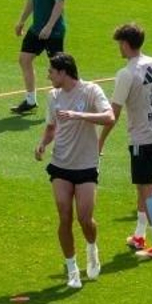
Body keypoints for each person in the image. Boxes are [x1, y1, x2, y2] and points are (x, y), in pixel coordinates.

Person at [97, 22, 152, 260]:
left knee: (148, 190)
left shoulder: (126, 74)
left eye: (119, 44)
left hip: (142, 141)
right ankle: (139, 235)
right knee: (143, 186)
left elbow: (113, 114)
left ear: (125, 43)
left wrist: (100, 141)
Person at [33, 53, 114, 289]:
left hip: (86, 164)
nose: (48, 76)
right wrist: (42, 144)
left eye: (51, 72)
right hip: (60, 165)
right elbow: (51, 127)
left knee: (85, 218)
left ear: (63, 72)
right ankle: (72, 270)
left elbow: (109, 117)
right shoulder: (53, 96)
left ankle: (91, 249)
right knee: (65, 216)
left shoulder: (90, 91)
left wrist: (79, 115)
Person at [11, 0, 68, 115]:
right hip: (37, 28)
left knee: (58, 69)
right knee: (24, 59)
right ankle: (30, 101)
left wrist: (50, 26)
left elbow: (60, 2)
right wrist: (21, 20)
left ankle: (64, 104)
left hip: (54, 31)